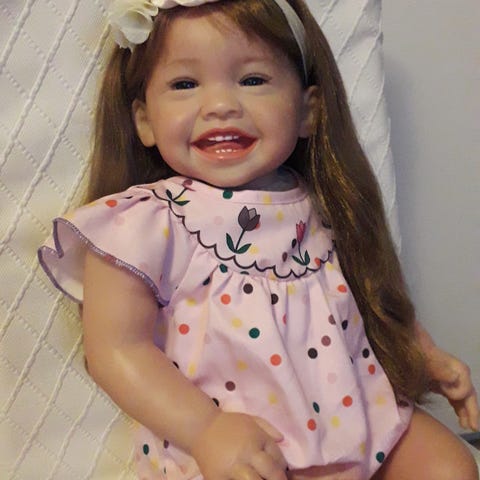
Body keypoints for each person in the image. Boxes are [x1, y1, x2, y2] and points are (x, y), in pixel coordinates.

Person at [38, 0, 479, 478]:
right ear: (144, 120)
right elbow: (117, 349)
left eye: (252, 80)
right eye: (184, 84)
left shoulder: (323, 206)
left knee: (448, 465)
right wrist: (205, 430)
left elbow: (367, 296)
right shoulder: (144, 222)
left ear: (308, 110)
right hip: (237, 445)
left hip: (361, 420)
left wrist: (423, 353)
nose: (221, 105)